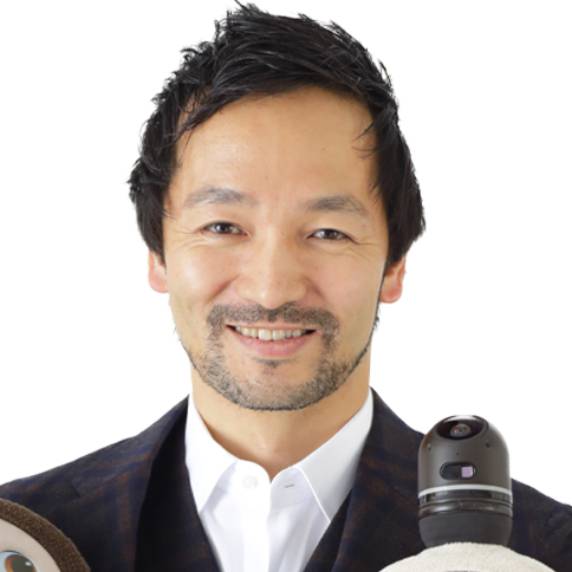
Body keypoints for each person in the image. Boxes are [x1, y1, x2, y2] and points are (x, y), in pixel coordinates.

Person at [1, 3, 570, 571]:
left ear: (394, 264)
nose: (271, 290)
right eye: (223, 227)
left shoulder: (546, 552)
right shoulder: (24, 536)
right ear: (158, 254)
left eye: (327, 232)